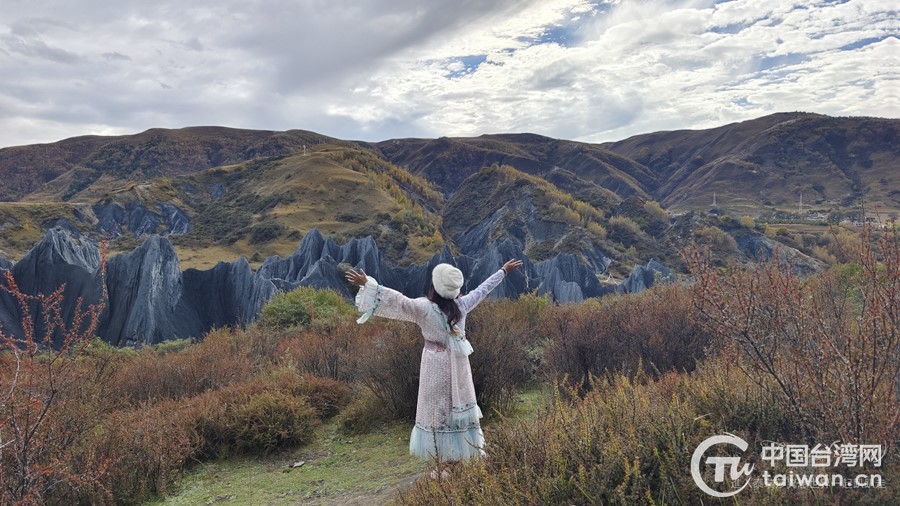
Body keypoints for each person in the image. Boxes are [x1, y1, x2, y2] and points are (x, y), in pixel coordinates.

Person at [345, 259, 523, 476]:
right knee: (455, 408)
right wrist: (503, 271)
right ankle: (455, 462)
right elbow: (482, 290)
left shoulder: (423, 308)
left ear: (435, 286)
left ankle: (440, 465)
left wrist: (369, 284)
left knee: (436, 411)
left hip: (435, 364)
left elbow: (398, 300)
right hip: (459, 366)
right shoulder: (462, 306)